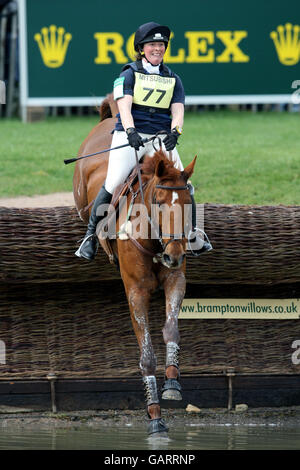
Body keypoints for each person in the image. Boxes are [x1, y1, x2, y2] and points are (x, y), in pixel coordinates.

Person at [75, 22, 212, 260]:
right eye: (152, 45)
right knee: (112, 182)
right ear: (142, 48)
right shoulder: (128, 73)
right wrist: (130, 131)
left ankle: (193, 234)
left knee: (184, 184)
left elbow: (177, 110)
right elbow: (124, 106)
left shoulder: (173, 78)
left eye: (161, 45)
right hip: (132, 137)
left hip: (160, 139)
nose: (157, 48)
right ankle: (89, 237)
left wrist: (175, 132)